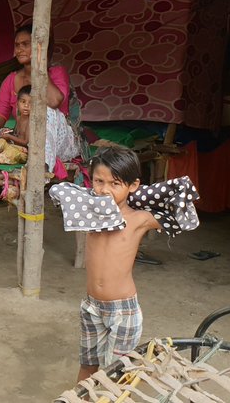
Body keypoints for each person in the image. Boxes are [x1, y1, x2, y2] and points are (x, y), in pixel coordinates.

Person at [60, 147, 158, 381]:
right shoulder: (89, 212)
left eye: (115, 183)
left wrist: (143, 196)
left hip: (123, 311)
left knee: (116, 375)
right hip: (91, 307)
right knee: (88, 366)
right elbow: (60, 190)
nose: (104, 190)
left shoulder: (138, 219)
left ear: (132, 185)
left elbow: (180, 212)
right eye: (98, 181)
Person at [0, 24, 70, 129]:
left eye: (25, 44)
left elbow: (54, 101)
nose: (19, 49)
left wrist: (39, 66)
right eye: (17, 45)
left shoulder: (57, 73)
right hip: (24, 139)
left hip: (54, 140)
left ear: (39, 47)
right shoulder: (10, 80)